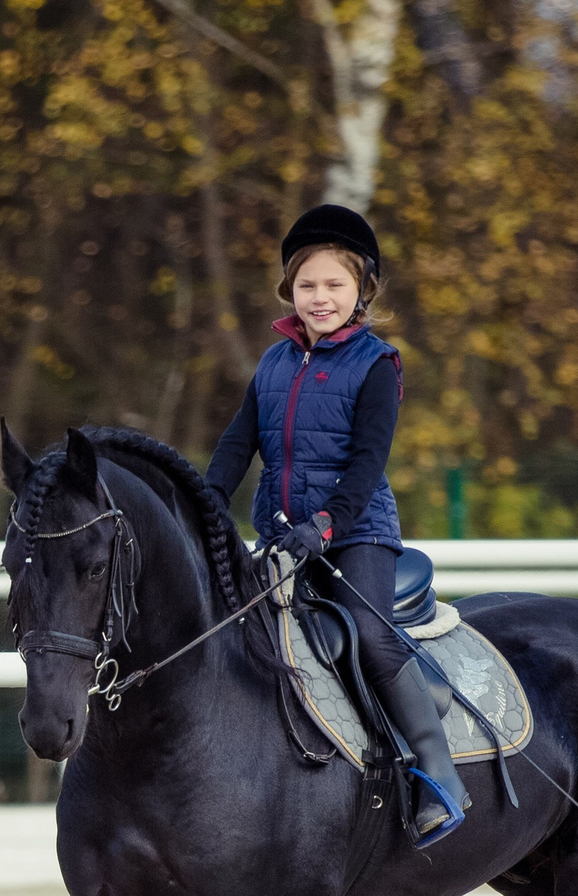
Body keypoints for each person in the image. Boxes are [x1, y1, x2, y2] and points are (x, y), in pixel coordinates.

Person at [204, 204, 470, 846]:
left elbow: (365, 463)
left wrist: (324, 527)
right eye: (307, 285)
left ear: (362, 291)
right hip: (280, 535)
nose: (319, 297)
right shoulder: (271, 364)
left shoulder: (377, 364)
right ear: (289, 291)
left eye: (334, 285)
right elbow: (238, 444)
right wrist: (206, 500)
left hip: (357, 534)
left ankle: (439, 772)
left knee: (370, 637)